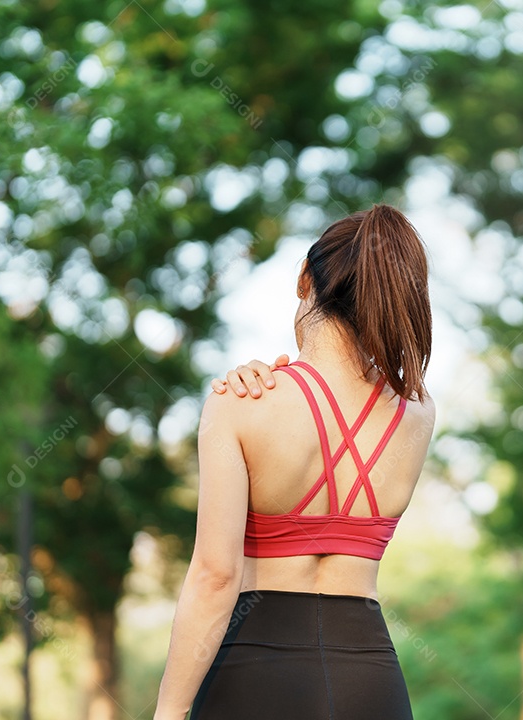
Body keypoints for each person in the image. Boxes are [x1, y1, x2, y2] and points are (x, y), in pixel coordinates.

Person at [154, 203, 436, 720]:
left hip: (255, 671)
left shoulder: (240, 402)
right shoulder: (417, 413)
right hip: (370, 680)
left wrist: (168, 711)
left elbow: (216, 576)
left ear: (304, 278)